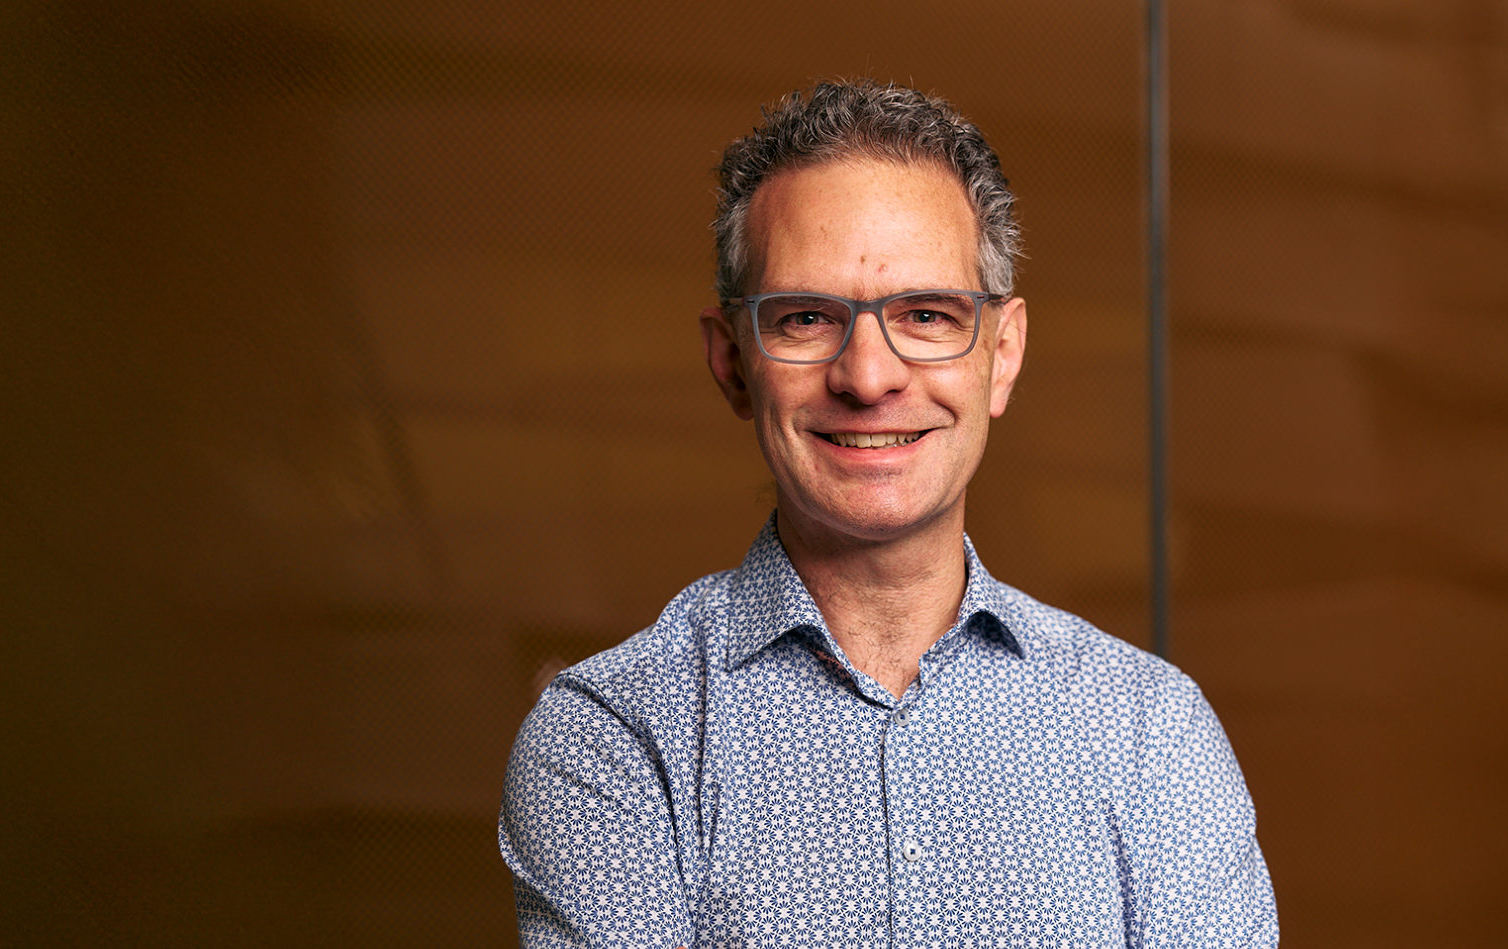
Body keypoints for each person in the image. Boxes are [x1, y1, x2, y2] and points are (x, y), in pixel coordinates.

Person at [499, 79, 1278, 948]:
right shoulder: (615, 736)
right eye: (803, 318)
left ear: (1003, 354)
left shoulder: (1149, 731)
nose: (868, 377)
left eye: (927, 314)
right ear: (732, 363)